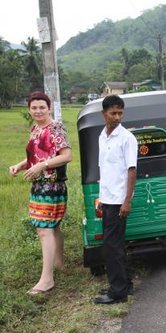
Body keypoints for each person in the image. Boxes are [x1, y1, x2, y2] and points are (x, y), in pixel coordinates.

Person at [9, 91, 72, 295]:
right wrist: (20, 165)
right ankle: (59, 264)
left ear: (49, 108)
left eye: (42, 107)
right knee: (52, 228)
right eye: (34, 108)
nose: (38, 111)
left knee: (44, 230)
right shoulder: (36, 129)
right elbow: (37, 156)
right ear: (29, 109)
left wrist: (42, 166)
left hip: (52, 185)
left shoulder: (55, 128)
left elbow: (66, 155)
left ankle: (47, 280)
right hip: (39, 184)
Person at [94, 95, 137, 305]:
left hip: (119, 202)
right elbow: (106, 170)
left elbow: (131, 170)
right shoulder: (102, 136)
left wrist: (127, 201)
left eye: (120, 113)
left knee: (112, 247)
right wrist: (102, 197)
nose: (117, 117)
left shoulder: (127, 138)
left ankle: (118, 292)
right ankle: (124, 285)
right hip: (108, 200)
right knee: (115, 245)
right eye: (113, 113)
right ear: (104, 114)